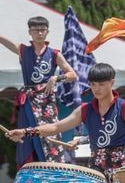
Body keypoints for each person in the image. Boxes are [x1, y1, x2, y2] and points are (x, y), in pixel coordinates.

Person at [0, 16, 77, 168]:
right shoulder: (23, 50)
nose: (39, 33)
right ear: (30, 32)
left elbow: (72, 74)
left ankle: (52, 171)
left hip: (46, 103)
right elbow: (2, 39)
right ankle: (29, 172)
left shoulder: (54, 54)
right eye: (36, 30)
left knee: (49, 137)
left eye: (42, 30)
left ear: (47, 31)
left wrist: (56, 78)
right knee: (26, 137)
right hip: (28, 101)